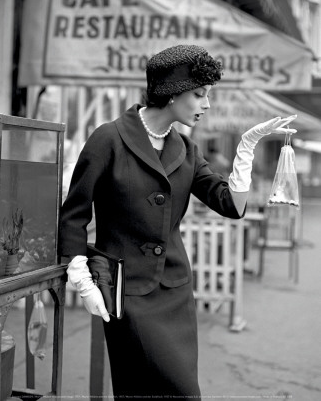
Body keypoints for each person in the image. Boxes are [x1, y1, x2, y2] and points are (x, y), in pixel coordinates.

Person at [58, 44, 297, 400]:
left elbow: (230, 205)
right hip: (128, 293)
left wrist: (246, 146)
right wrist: (80, 276)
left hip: (175, 293)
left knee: (184, 391)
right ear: (172, 94)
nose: (207, 104)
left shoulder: (186, 149)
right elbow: (74, 213)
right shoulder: (108, 138)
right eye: (199, 95)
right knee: (143, 391)